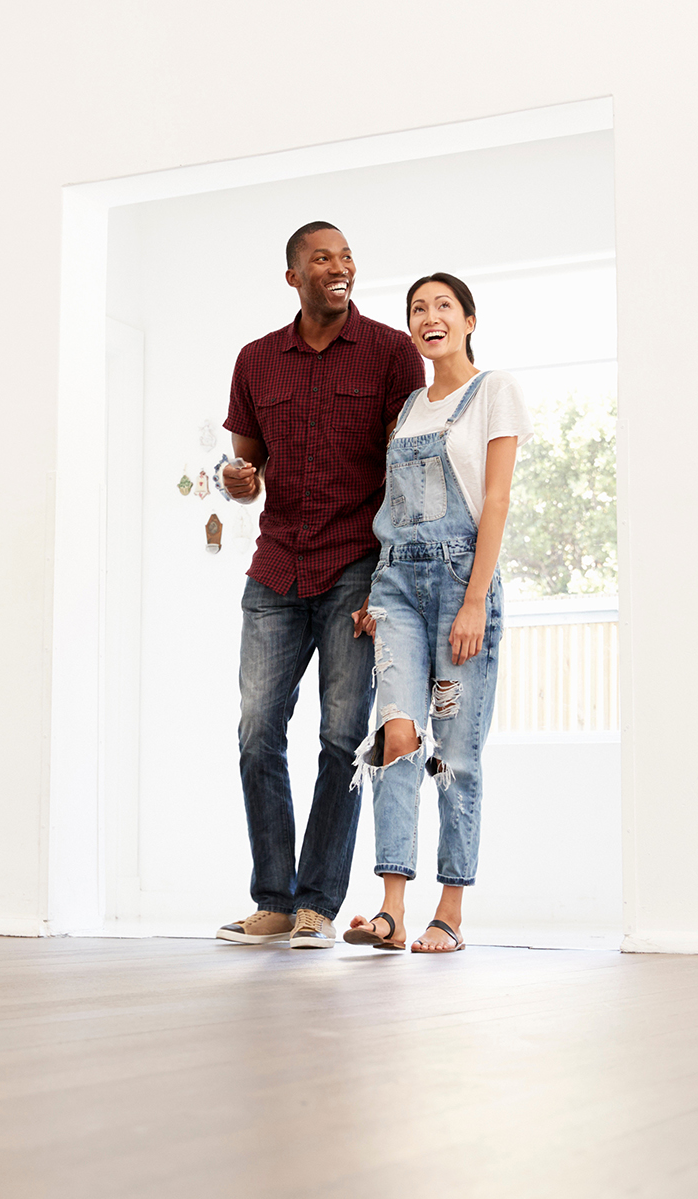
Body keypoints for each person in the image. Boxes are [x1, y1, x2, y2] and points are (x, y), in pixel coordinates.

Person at [214, 222, 426, 950]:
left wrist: (388, 585)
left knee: (341, 736)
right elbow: (246, 473)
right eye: (321, 259)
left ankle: (318, 905)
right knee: (256, 733)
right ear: (293, 277)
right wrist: (238, 481)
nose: (339, 268)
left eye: (345, 258)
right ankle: (273, 899)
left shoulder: (393, 355)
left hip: (355, 569)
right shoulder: (255, 362)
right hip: (276, 567)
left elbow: (410, 473)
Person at [344, 273, 529, 953]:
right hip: (396, 585)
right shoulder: (409, 409)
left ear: (469, 320)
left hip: (460, 583)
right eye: (418, 309)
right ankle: (391, 905)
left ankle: (448, 910)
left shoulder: (495, 392)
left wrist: (476, 598)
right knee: (394, 736)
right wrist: (373, 592)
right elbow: (390, 513)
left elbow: (499, 502)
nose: (430, 318)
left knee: (454, 754)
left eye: (442, 307)